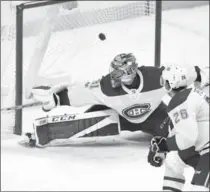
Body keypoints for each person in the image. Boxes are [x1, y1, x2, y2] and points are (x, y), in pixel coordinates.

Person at [23, 53, 204, 147]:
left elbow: (187, 73)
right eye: (113, 71)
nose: (113, 76)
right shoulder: (105, 86)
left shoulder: (155, 76)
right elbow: (80, 93)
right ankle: (44, 133)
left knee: (185, 137)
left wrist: (200, 75)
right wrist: (56, 98)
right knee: (87, 122)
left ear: (130, 73)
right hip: (120, 117)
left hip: (155, 117)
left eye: (118, 73)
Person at [147, 65, 209, 191]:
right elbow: (182, 131)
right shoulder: (192, 94)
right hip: (203, 149)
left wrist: (164, 145)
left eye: (164, 82)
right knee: (173, 160)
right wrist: (162, 147)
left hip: (207, 151)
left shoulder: (180, 100)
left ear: (170, 84)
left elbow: (187, 138)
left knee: (198, 189)